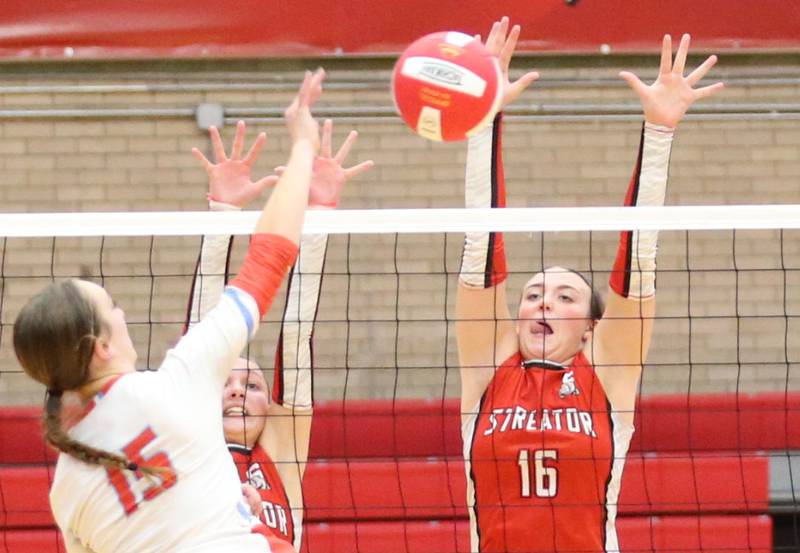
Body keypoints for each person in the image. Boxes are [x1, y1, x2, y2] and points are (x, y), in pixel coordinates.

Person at [12, 69, 326, 553]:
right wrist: (303, 147)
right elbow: (269, 258)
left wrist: (233, 512)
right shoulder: (177, 384)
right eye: (111, 307)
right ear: (101, 346)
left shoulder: (66, 489)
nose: (122, 314)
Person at [456, 18, 724, 553]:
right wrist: (484, 121)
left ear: (590, 327)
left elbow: (637, 264)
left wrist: (659, 133)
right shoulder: (490, 363)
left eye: (564, 296)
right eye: (532, 295)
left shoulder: (607, 369)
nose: (543, 304)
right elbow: (481, 248)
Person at [186, 118, 373, 551]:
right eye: (226, 382)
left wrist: (320, 213)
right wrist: (223, 216)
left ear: (270, 406)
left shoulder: (280, 450)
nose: (235, 391)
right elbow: (201, 339)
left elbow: (297, 334)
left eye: (251, 385)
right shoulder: (192, 440)